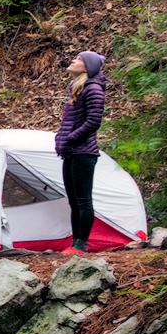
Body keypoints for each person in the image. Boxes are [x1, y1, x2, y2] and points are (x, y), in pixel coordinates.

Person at [55, 50, 107, 252]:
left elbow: (93, 122)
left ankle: (81, 244)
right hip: (71, 151)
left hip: (84, 152)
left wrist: (70, 137)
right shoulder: (78, 87)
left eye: (78, 59)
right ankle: (75, 243)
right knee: (74, 202)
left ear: (87, 66)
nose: (73, 61)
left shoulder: (93, 89)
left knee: (83, 201)